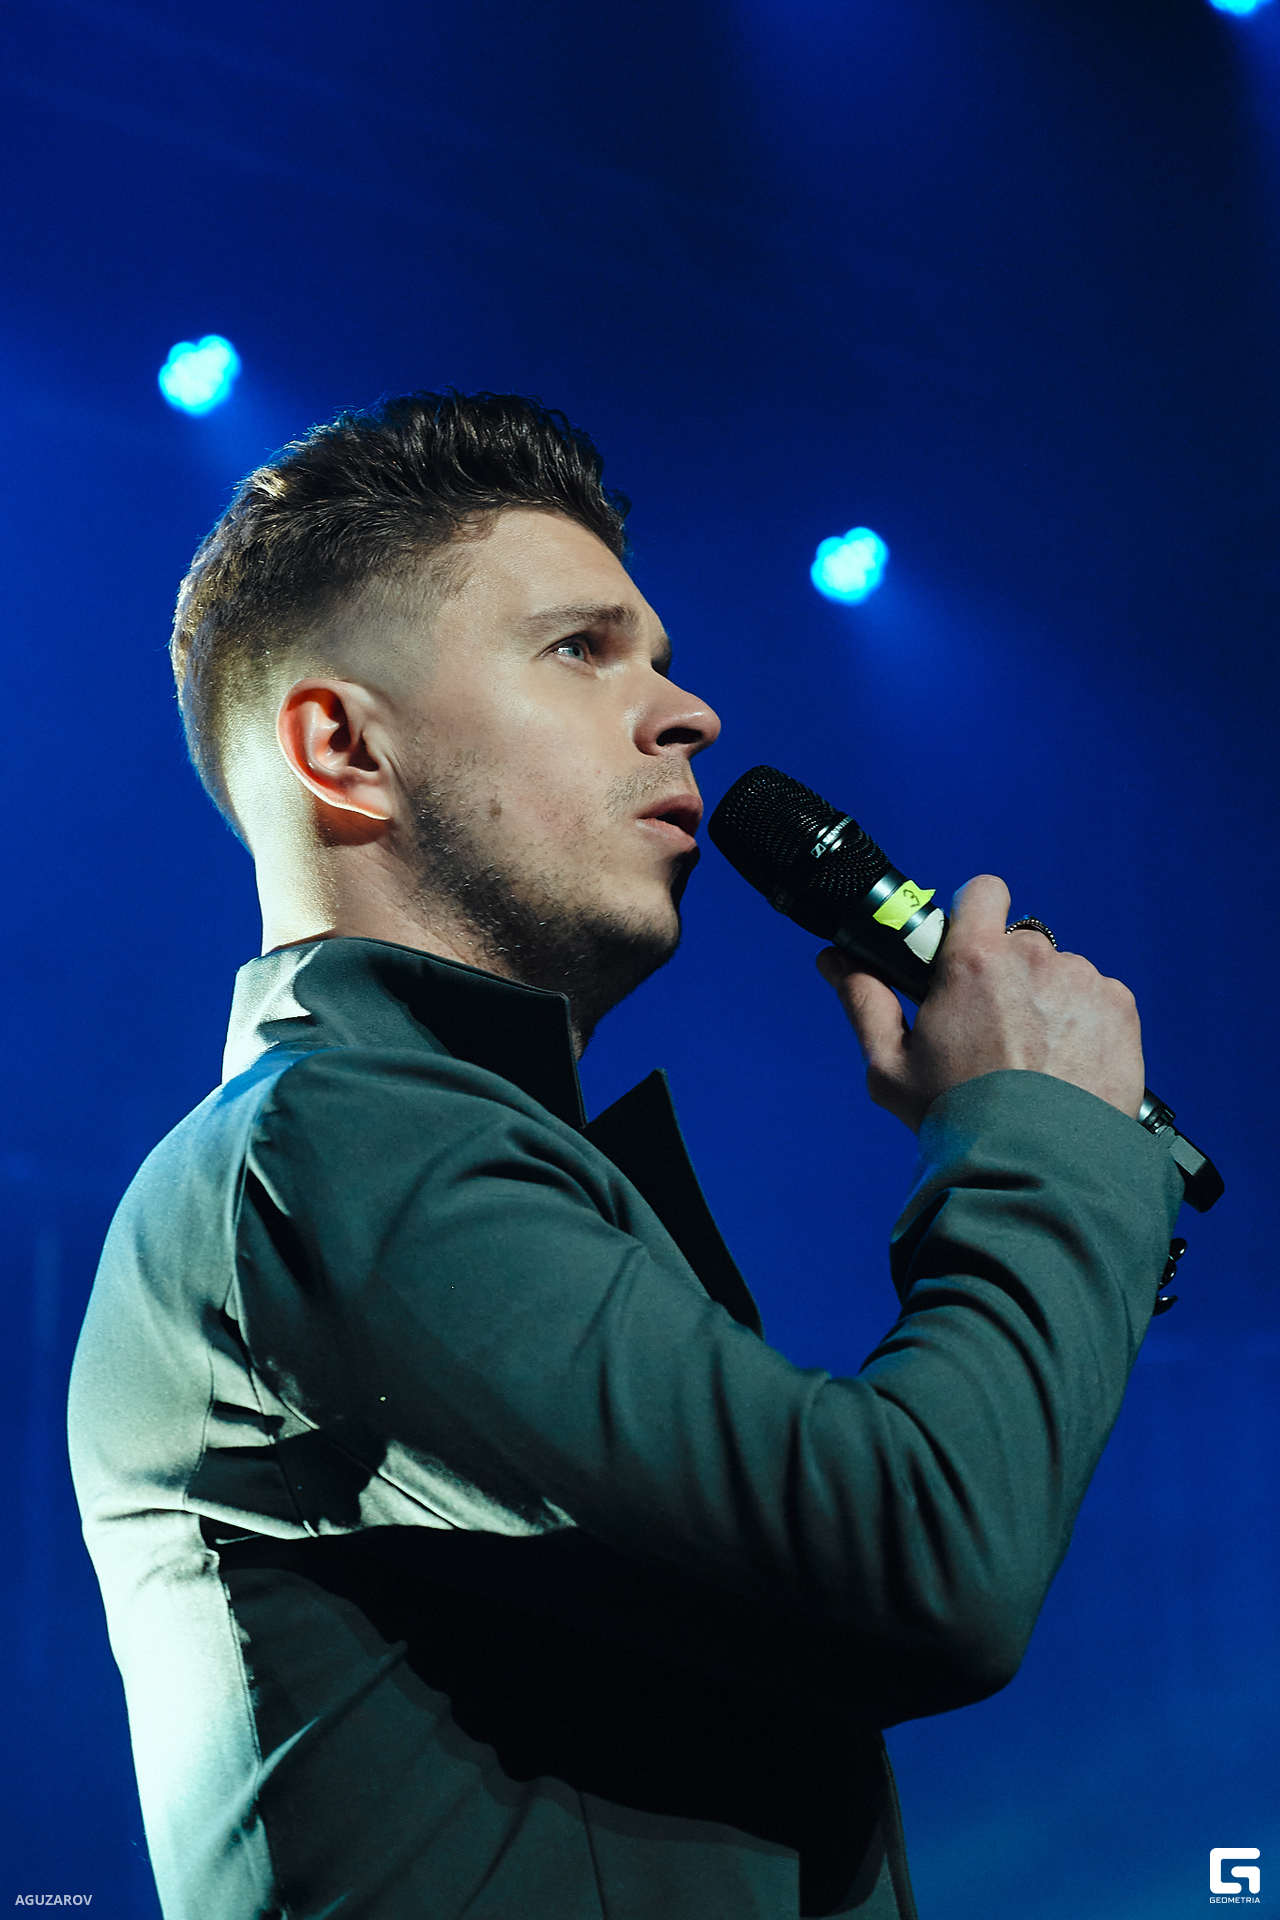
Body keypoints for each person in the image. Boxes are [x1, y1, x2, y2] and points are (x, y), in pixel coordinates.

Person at [69, 391, 1181, 1920]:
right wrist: (1040, 1133)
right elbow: (922, 1554)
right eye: (581, 651)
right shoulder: (333, 1142)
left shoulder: (417, 1152)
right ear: (343, 748)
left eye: (656, 654)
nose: (690, 712)